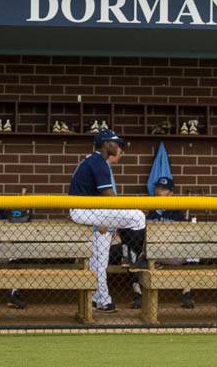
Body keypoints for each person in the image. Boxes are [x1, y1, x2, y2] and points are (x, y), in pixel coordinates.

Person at [68, 129, 146, 312]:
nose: (119, 147)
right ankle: (133, 255)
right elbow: (109, 197)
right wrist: (127, 211)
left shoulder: (94, 160)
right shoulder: (98, 162)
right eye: (116, 143)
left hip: (90, 212)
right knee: (138, 217)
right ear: (106, 144)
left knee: (99, 261)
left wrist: (111, 222)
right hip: (85, 211)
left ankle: (100, 300)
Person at [141, 176, 194, 310]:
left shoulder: (177, 212)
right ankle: (138, 294)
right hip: (151, 254)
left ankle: (187, 292)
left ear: (171, 194)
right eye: (158, 188)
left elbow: (183, 236)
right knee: (134, 249)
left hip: (173, 253)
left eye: (164, 189)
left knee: (193, 249)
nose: (159, 191)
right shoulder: (148, 209)